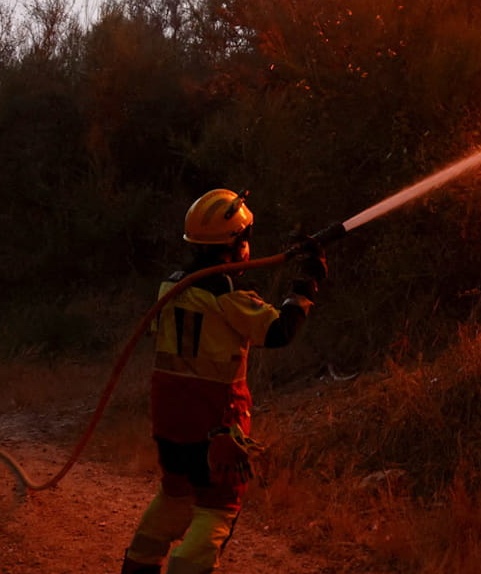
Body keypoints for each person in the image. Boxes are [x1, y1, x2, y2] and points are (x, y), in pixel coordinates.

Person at [120, 189, 327, 574]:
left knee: (176, 497)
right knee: (217, 511)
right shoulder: (227, 297)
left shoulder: (171, 288)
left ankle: (139, 564)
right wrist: (305, 287)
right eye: (245, 239)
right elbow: (279, 331)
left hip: (169, 426)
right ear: (236, 243)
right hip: (216, 430)